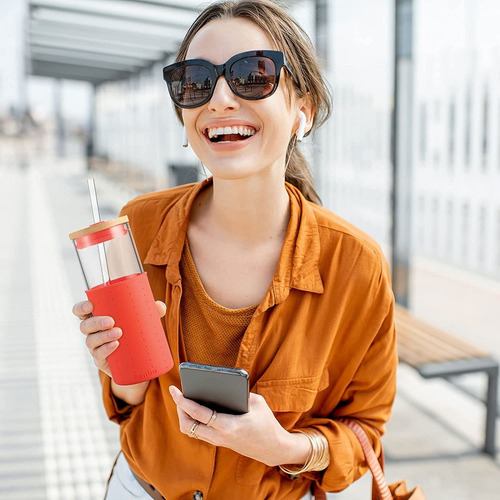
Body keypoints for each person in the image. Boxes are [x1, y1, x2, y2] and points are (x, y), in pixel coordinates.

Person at [72, 1, 397, 499]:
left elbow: (365, 431)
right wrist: (115, 363)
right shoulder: (137, 225)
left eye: (252, 74)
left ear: (302, 112)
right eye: (195, 81)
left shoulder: (354, 265)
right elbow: (131, 402)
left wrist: (286, 448)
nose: (220, 98)